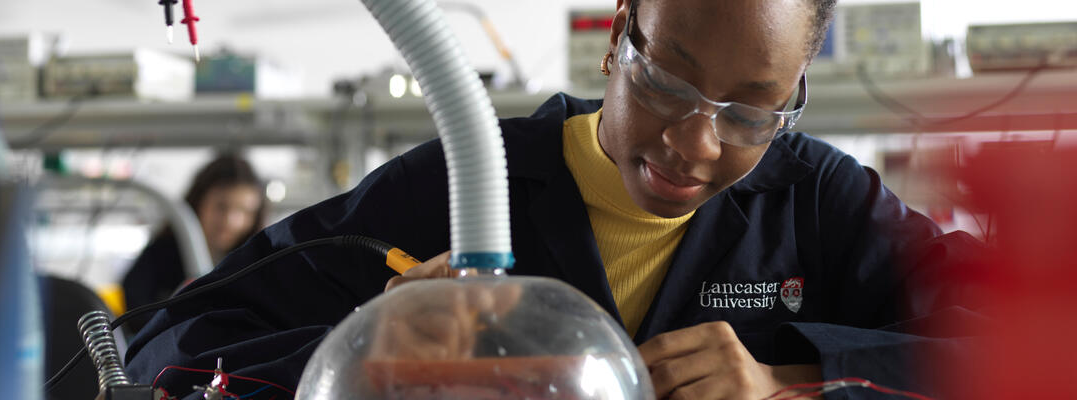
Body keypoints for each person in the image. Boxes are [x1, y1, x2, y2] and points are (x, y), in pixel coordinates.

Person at [124, 1, 982, 398]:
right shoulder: (464, 181)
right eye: (669, 84)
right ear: (619, 35)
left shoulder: (819, 202)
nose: (696, 143)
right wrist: (369, 351)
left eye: (753, 111)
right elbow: (162, 348)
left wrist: (789, 379)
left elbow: (1025, 344)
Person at [120, 152, 266, 333]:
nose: (231, 221)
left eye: (244, 211)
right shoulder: (159, 256)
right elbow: (135, 312)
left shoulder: (255, 265)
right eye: (221, 206)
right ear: (199, 202)